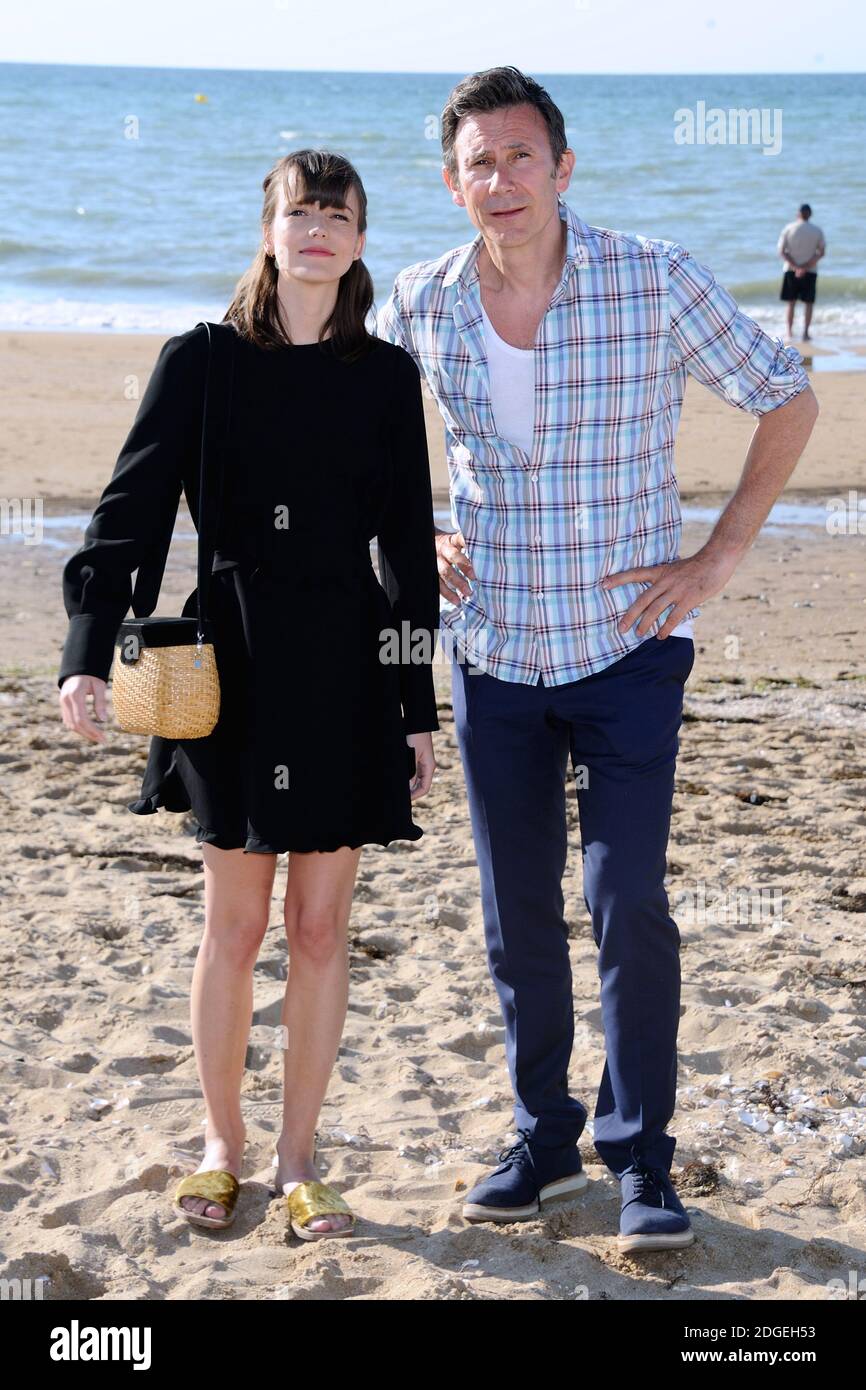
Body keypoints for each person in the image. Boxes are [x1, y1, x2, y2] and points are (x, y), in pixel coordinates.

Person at [377, 66, 819, 1253]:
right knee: (514, 914)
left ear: (561, 168)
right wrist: (413, 531)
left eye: (521, 156)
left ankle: (640, 1158)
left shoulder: (652, 277)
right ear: (452, 183)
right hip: (493, 656)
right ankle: (541, 1137)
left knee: (626, 900)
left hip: (625, 651)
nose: (501, 179)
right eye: (478, 162)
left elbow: (785, 398)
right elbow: (342, 436)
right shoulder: (417, 301)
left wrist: (716, 556)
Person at [58, 150, 441, 1238]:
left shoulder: (382, 377)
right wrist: (89, 648)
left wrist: (414, 701)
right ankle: (220, 1146)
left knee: (321, 931)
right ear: (268, 231)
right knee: (233, 925)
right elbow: (127, 513)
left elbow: (407, 550)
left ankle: (299, 1157)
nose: (317, 227)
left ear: (361, 241)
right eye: (298, 210)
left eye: (338, 213)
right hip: (224, 661)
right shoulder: (201, 362)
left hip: (347, 663)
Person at [778, 203, 826, 342]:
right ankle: (805, 333)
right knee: (808, 303)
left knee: (791, 303)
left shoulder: (789, 228)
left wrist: (796, 266)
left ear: (798, 214)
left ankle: (789, 332)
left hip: (790, 270)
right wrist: (804, 267)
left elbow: (782, 251)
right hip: (810, 270)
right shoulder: (817, 230)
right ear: (810, 214)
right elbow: (821, 252)